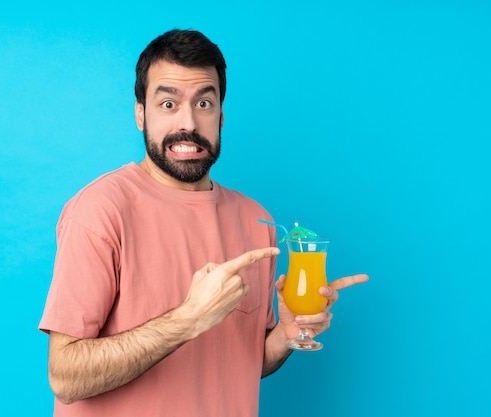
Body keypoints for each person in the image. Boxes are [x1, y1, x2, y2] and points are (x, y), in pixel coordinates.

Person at [39, 28, 368, 417]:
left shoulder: (256, 221)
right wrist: (188, 319)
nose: (189, 123)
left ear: (221, 117)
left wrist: (284, 335)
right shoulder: (100, 210)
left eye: (204, 103)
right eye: (167, 104)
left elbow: (241, 365)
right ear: (140, 114)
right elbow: (66, 378)